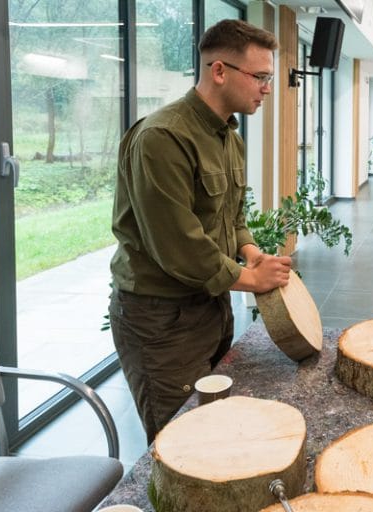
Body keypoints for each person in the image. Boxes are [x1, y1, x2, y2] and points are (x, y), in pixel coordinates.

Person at [109, 19, 292, 443]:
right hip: (161, 322)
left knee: (214, 430)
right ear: (220, 71)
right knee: (181, 441)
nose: (267, 88)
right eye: (260, 76)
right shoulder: (162, 138)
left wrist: (249, 250)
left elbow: (232, 213)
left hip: (209, 309)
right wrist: (252, 280)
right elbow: (179, 244)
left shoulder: (228, 136)